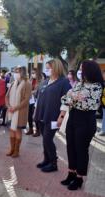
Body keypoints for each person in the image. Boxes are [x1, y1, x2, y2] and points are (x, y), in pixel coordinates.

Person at [60, 60, 103, 190]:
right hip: (73, 119)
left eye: (82, 69)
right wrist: (75, 97)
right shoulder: (80, 84)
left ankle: (79, 178)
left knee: (81, 150)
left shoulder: (97, 86)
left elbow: (87, 105)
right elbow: (64, 98)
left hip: (85, 121)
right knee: (71, 147)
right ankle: (71, 173)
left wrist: (72, 97)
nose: (80, 71)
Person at [34, 59, 71, 172]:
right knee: (44, 140)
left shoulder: (63, 82)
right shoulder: (45, 81)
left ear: (56, 68)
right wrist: (35, 112)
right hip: (41, 114)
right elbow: (39, 97)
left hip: (53, 116)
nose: (46, 70)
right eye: (46, 68)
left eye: (49, 68)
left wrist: (61, 116)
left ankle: (53, 163)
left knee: (47, 139)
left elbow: (67, 100)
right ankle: (46, 159)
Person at [5, 66, 32, 157]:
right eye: (15, 71)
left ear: (23, 72)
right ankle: (11, 149)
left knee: (18, 130)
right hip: (11, 110)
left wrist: (15, 108)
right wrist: (8, 106)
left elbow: (26, 99)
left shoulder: (27, 83)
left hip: (20, 111)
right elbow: (7, 96)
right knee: (12, 130)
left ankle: (16, 151)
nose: (16, 73)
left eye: (18, 71)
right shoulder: (13, 83)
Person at [26, 68, 42, 136]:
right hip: (30, 100)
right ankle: (31, 129)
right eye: (32, 73)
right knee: (29, 115)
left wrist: (32, 92)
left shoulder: (41, 81)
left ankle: (38, 130)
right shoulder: (30, 80)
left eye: (34, 73)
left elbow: (40, 90)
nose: (32, 74)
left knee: (35, 116)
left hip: (36, 100)